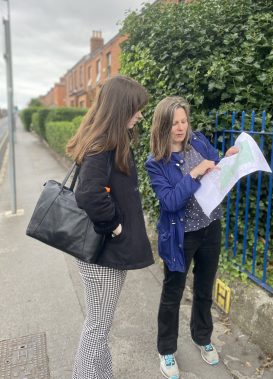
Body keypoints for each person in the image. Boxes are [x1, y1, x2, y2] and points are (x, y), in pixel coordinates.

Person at [66, 75, 154, 379]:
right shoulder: (103, 144)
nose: (140, 114)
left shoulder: (106, 139)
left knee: (99, 325)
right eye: (136, 108)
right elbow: (89, 194)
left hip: (102, 256)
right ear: (121, 109)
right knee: (97, 329)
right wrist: (115, 226)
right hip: (103, 257)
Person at [145, 97, 238, 379]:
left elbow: (215, 167)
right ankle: (167, 350)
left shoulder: (198, 141)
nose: (181, 127)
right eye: (174, 123)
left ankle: (201, 337)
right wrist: (195, 173)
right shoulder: (156, 163)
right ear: (163, 125)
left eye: (184, 121)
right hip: (180, 236)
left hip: (211, 227)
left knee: (204, 287)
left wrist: (228, 159)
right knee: (173, 293)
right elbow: (171, 201)